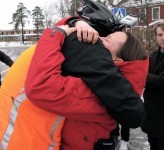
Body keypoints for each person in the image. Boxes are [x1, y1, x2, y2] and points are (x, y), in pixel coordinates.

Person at [25, 20, 148, 150]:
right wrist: (80, 23)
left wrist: (54, 35)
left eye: (107, 40)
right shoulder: (109, 82)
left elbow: (41, 86)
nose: (98, 38)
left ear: (116, 61)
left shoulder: (104, 92)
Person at [142, 22, 164, 150]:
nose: (163, 38)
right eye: (160, 34)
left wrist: (145, 75)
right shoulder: (153, 55)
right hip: (152, 114)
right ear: (156, 37)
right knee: (153, 144)